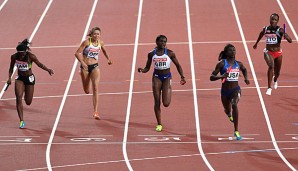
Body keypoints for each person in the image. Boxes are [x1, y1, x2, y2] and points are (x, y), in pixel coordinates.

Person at [138, 35, 186, 132]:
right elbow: (147, 67)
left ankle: (168, 89)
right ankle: (159, 124)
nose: (163, 43)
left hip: (167, 78)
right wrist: (142, 70)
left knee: (166, 103)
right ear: (156, 42)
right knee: (157, 101)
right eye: (161, 41)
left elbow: (178, 65)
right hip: (156, 78)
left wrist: (182, 76)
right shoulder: (151, 54)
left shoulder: (170, 53)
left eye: (165, 42)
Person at [7, 39, 54, 129]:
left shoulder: (31, 56)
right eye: (20, 54)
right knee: (18, 98)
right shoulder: (14, 57)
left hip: (29, 79)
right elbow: (11, 68)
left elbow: (40, 64)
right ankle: (21, 121)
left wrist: (48, 70)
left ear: (26, 52)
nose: (22, 56)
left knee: (28, 102)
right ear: (18, 52)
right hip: (20, 79)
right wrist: (9, 78)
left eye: (23, 54)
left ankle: (26, 92)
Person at [210, 44, 250, 140]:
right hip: (225, 92)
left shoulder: (238, 64)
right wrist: (221, 76)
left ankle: (236, 131)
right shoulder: (221, 64)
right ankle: (228, 114)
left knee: (234, 105)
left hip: (235, 89)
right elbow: (211, 77)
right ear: (226, 53)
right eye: (231, 50)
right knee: (228, 110)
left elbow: (244, 69)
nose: (233, 52)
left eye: (234, 50)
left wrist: (246, 78)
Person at [75, 27, 112, 119]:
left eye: (98, 34)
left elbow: (104, 50)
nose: (96, 35)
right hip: (85, 67)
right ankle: (82, 75)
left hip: (95, 66)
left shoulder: (101, 42)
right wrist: (82, 63)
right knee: (87, 91)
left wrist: (108, 59)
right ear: (91, 35)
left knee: (95, 87)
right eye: (95, 34)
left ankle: (95, 111)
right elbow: (77, 53)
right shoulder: (87, 42)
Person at [253, 13, 292, 95]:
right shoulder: (266, 29)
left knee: (277, 72)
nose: (273, 21)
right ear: (269, 20)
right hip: (268, 52)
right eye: (272, 19)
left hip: (278, 53)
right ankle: (269, 88)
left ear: (277, 21)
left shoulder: (280, 30)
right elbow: (261, 34)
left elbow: (290, 40)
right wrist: (256, 43)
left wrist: (285, 35)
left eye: (275, 20)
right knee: (271, 66)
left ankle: (275, 80)